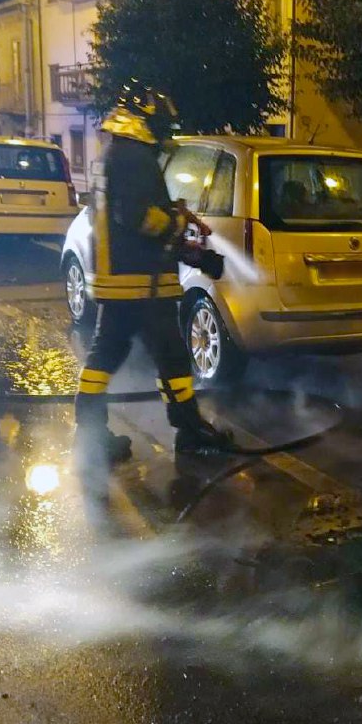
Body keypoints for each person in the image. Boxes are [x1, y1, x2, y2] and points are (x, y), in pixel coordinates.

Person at [75, 79, 233, 464]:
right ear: (144, 117)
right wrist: (178, 226)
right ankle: (189, 430)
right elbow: (140, 217)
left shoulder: (114, 152)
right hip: (141, 282)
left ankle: (92, 436)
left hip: (122, 278)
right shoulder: (133, 156)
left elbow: (130, 219)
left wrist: (186, 247)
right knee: (172, 357)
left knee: (106, 354)